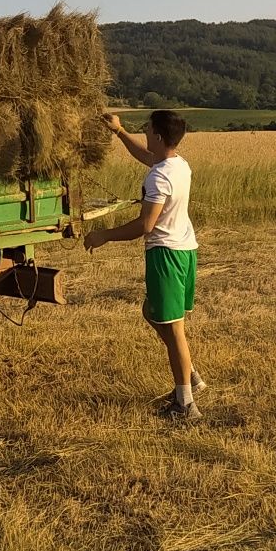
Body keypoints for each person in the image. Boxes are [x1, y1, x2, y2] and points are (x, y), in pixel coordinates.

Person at [84, 109, 203, 421]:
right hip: (186, 249)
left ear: (159, 136)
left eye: (147, 128)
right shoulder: (178, 165)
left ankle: (186, 404)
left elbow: (146, 225)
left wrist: (104, 236)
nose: (145, 132)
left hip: (166, 254)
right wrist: (119, 132)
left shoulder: (160, 176)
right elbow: (148, 157)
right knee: (152, 311)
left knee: (174, 328)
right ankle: (189, 377)